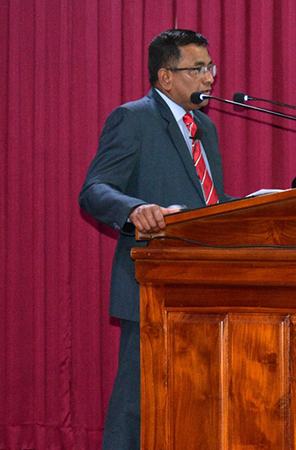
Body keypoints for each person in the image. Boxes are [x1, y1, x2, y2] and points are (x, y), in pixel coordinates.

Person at [79, 29, 231, 449]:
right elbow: (94, 189)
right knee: (136, 403)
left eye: (210, 68)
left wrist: (259, 203)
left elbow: (207, 202)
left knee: (194, 398)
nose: (209, 79)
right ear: (165, 77)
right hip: (151, 282)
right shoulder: (133, 118)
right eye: (197, 69)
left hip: (202, 280)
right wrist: (132, 209)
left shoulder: (205, 127)